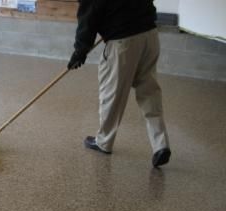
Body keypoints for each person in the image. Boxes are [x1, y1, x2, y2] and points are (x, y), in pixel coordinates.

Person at [68, 0, 171, 167]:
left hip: (123, 43)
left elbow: (88, 18)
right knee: (149, 92)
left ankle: (104, 142)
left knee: (112, 95)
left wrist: (80, 50)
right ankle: (161, 145)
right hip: (150, 35)